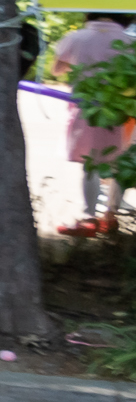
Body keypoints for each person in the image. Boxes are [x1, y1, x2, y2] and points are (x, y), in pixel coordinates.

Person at [52, 12, 134, 235]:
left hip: (88, 109)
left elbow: (56, 70)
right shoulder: (131, 42)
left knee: (91, 163)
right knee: (119, 162)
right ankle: (111, 214)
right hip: (122, 111)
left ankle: (89, 217)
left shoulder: (75, 38)